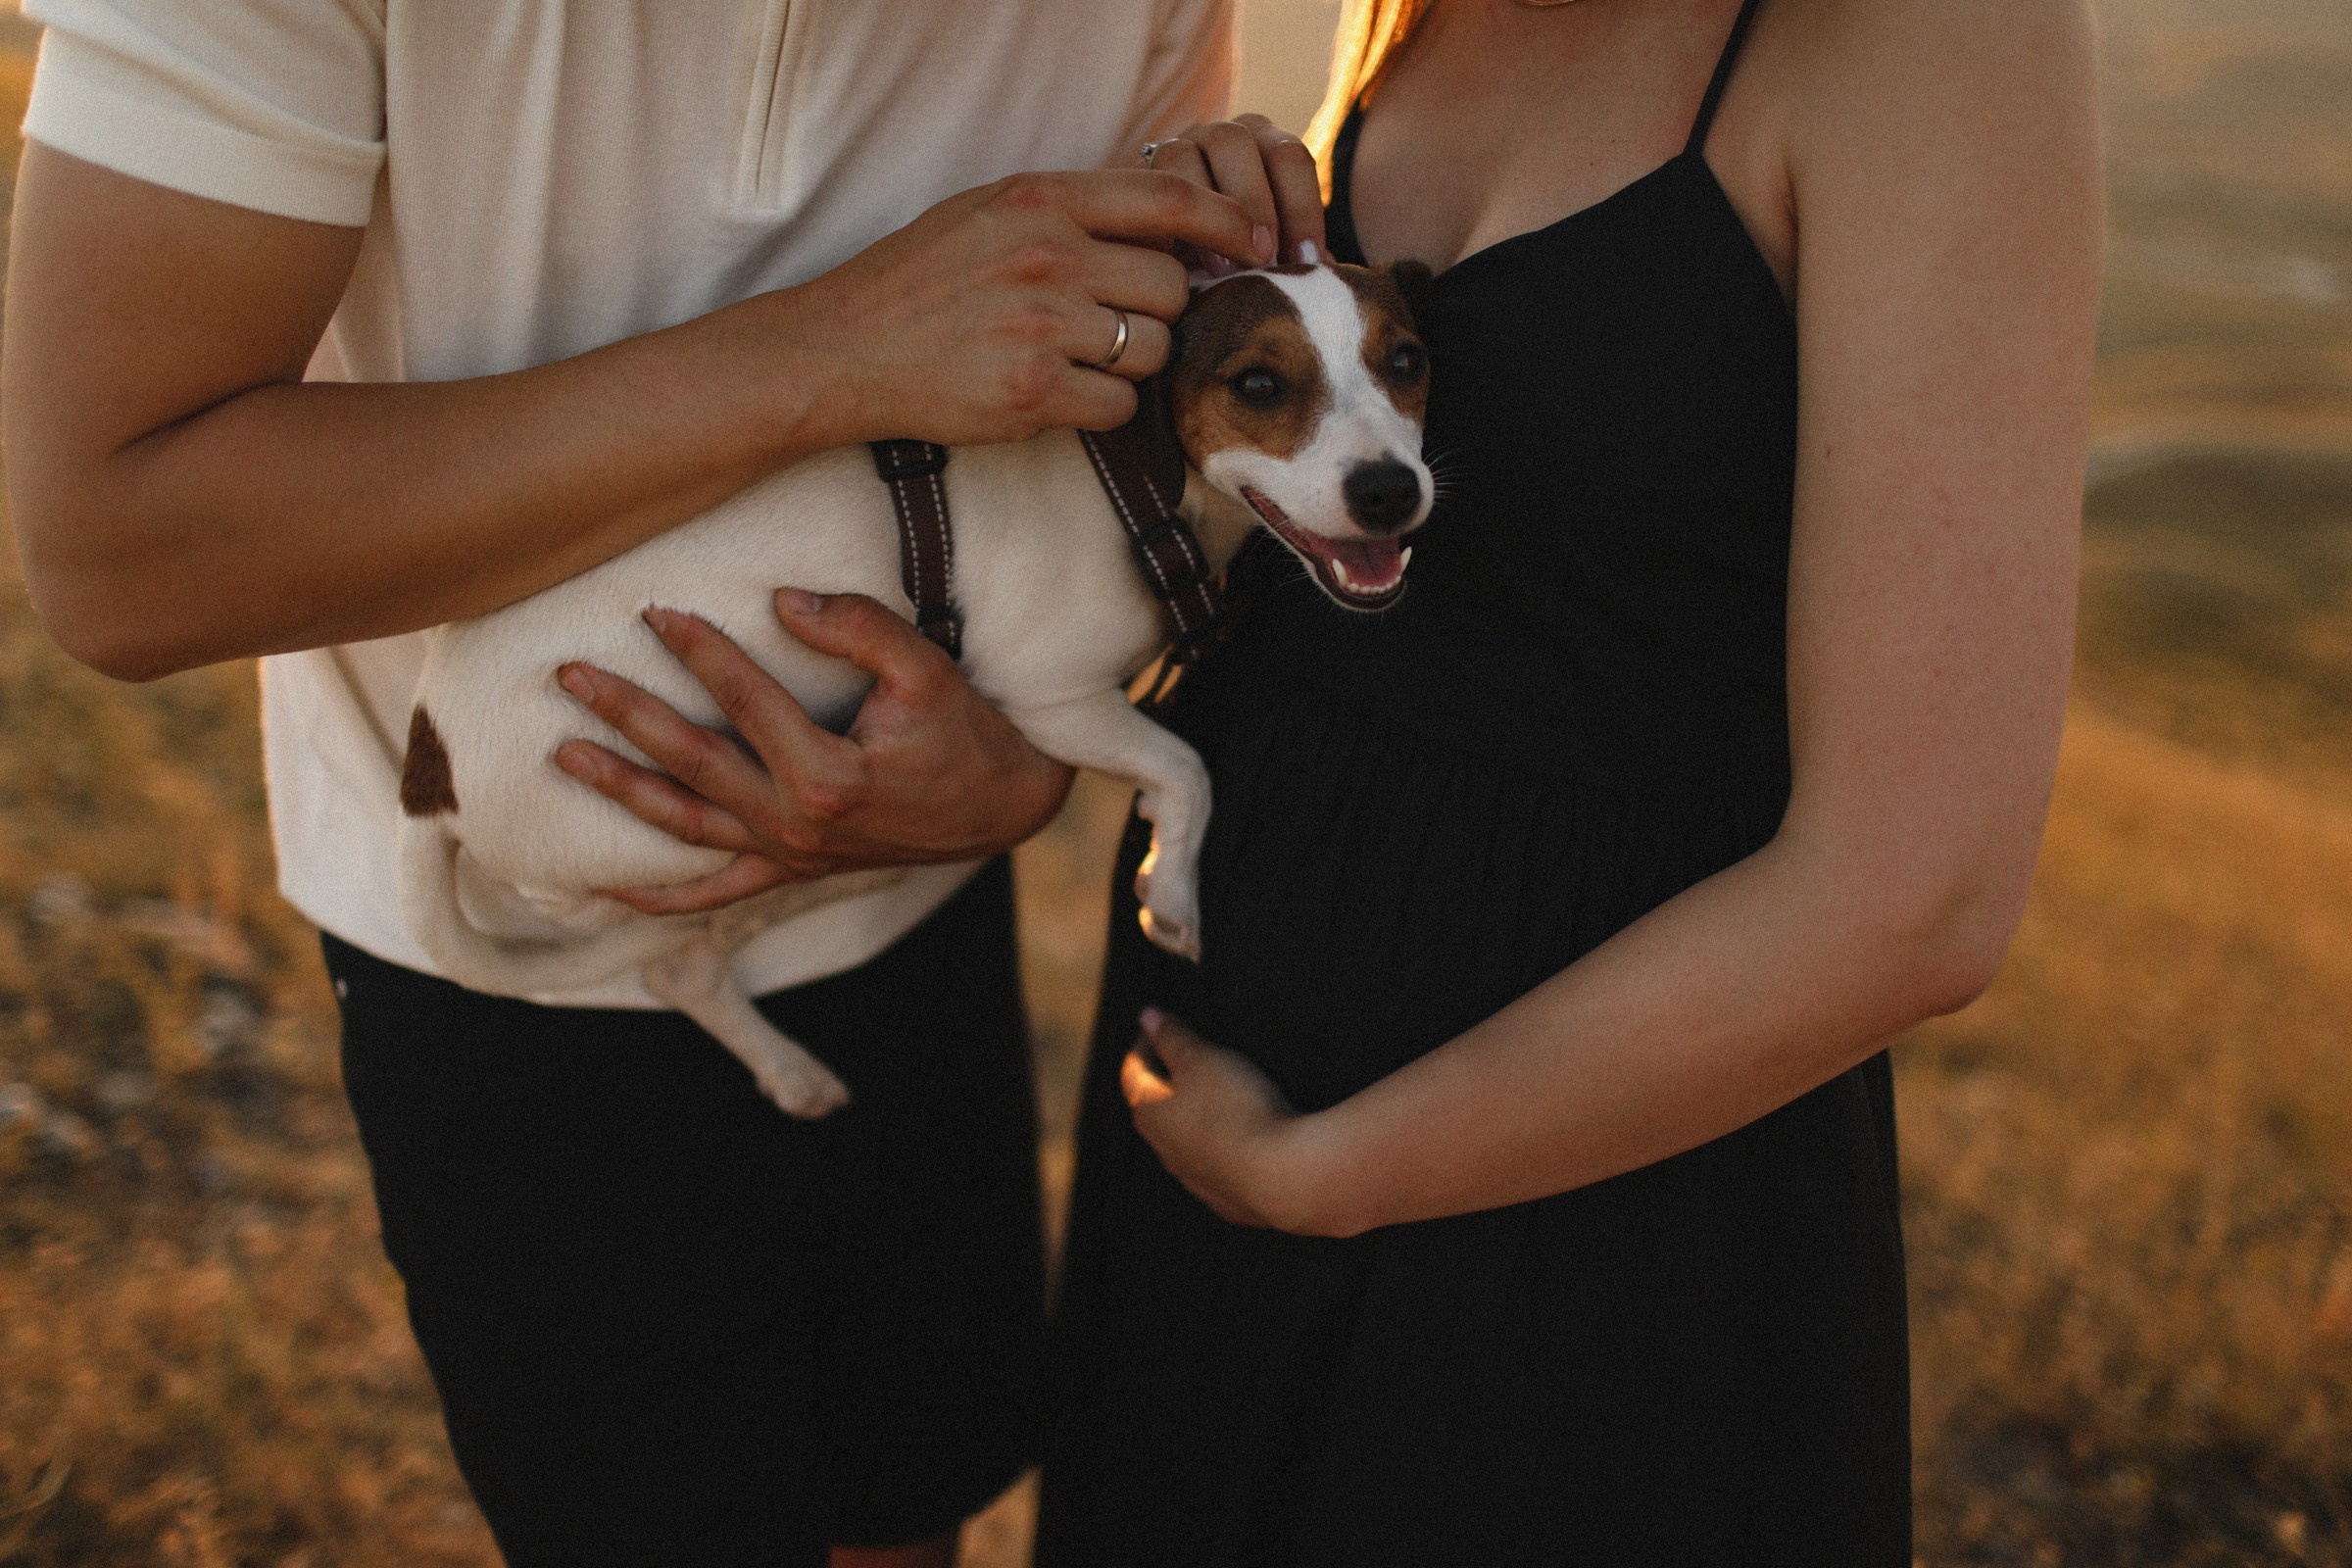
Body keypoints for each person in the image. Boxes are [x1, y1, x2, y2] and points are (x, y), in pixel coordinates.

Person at [0, 5, 1321, 1565]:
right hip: (507, 946)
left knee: (911, 1505)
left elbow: (1125, 456)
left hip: (919, 920)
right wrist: (826, 353)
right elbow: (117, 557)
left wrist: (1022, 767)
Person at [1040, 0, 2101, 1562]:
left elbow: (1917, 896)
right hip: (1210, 1129)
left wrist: (1340, 1176)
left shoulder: (1932, 39)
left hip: (1584, 1222)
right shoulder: (1410, 10)